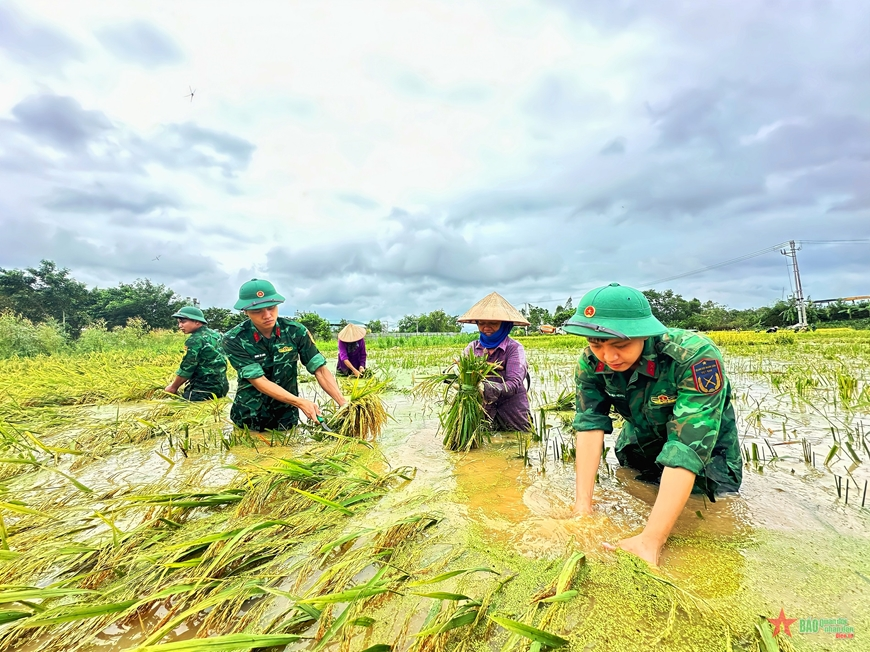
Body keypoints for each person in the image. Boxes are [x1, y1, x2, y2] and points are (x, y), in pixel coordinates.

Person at [564, 283, 742, 566]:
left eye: (620, 345)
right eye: (596, 344)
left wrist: (652, 540)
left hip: (705, 462)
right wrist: (582, 507)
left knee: (707, 517)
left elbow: (687, 446)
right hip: (640, 449)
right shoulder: (590, 363)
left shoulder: (693, 356)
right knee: (638, 490)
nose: (608, 358)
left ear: (644, 333)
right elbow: (589, 426)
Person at [221, 279, 347, 431]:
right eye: (257, 311)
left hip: (286, 416)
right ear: (245, 312)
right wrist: (300, 402)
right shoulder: (234, 339)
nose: (267, 315)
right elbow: (258, 380)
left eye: (271, 308)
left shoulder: (295, 331)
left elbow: (319, 369)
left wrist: (343, 403)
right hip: (250, 416)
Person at [457, 292, 531, 432]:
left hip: (512, 410)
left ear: (505, 325)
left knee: (518, 444)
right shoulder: (472, 348)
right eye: (482, 323)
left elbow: (514, 383)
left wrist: (486, 388)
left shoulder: (514, 348)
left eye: (493, 323)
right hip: (483, 410)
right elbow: (461, 372)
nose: (486, 327)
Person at [164, 306, 229, 401]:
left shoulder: (195, 340)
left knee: (176, 410)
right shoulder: (216, 335)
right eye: (178, 322)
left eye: (183, 322)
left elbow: (187, 368)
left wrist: (173, 387)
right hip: (222, 387)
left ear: (197, 322)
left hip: (203, 390)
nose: (180, 326)